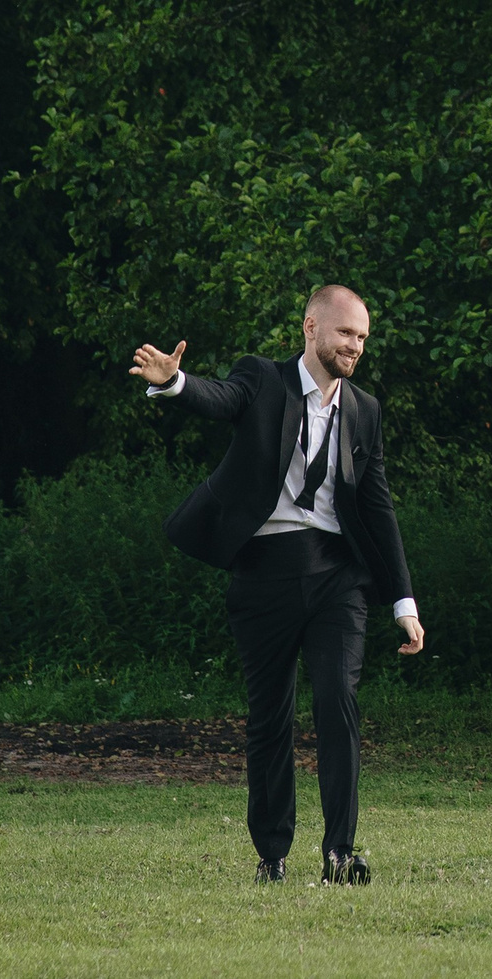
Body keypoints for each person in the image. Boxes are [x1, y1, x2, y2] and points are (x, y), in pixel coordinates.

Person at [130, 286, 422, 886]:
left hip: (336, 574)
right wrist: (176, 383)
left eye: (363, 338)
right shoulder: (264, 381)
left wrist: (403, 601)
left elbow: (378, 507)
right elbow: (220, 398)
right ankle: (272, 855)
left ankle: (341, 851)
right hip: (262, 571)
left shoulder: (364, 410)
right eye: (346, 334)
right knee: (270, 718)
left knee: (338, 700)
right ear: (312, 328)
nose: (355, 347)